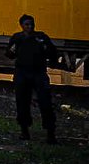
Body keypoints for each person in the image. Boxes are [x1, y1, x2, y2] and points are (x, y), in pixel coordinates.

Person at [6, 14, 61, 144]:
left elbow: (53, 52)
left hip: (38, 73)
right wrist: (12, 50)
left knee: (45, 102)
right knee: (22, 102)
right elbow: (9, 54)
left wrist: (47, 50)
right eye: (27, 24)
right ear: (22, 26)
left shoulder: (41, 37)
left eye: (31, 24)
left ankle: (50, 133)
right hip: (22, 73)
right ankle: (24, 131)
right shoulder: (17, 38)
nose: (30, 27)